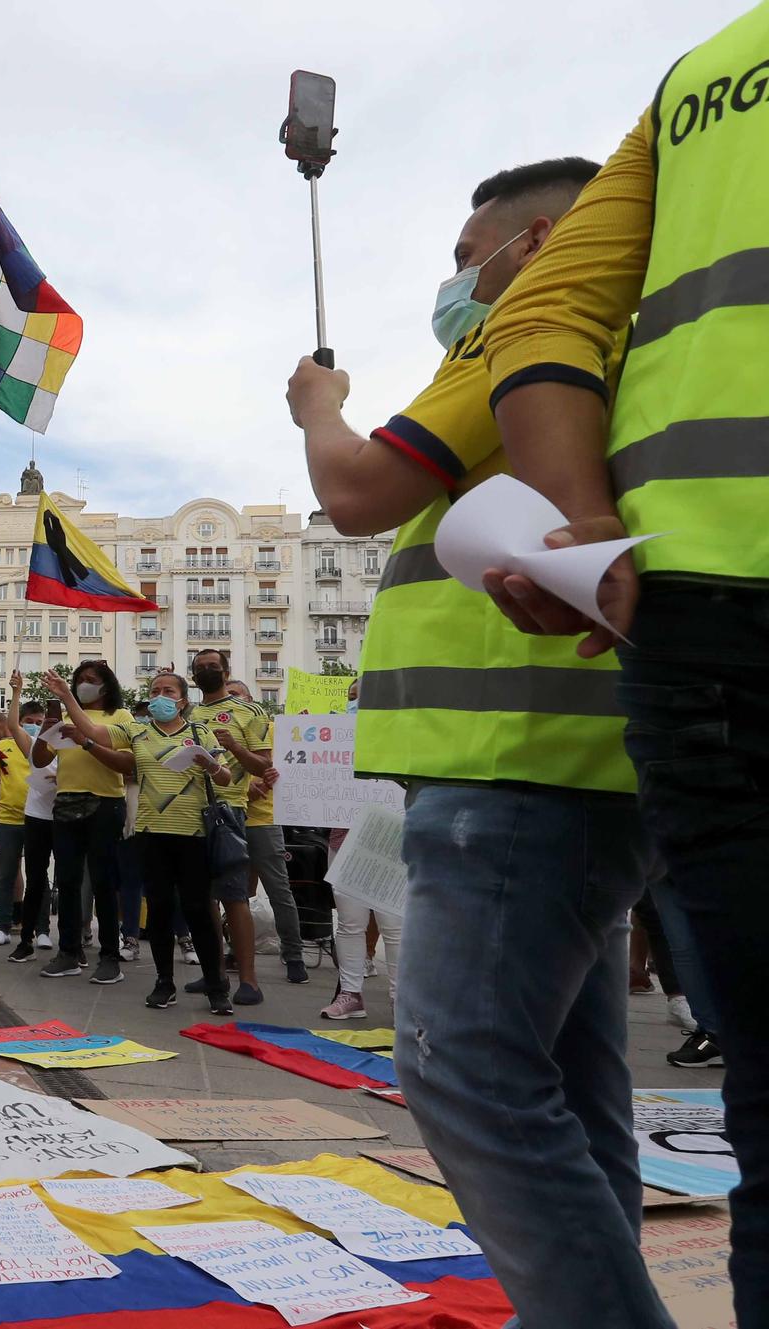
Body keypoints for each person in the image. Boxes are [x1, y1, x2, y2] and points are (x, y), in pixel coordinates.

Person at [287, 153, 671, 1324]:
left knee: (463, 1072)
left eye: (468, 260)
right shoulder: (630, 344)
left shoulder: (518, 334)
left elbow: (357, 490)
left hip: (509, 762)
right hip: (570, 760)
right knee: (564, 1083)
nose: (456, 286)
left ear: (538, 240)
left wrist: (318, 409)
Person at [477, 18, 769, 1315]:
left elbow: (546, 317)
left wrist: (578, 515)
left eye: (467, 258)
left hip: (698, 615)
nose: (463, 281)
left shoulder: (710, 69)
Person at [60, 671, 234, 1015]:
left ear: (183, 700)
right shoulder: (136, 731)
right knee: (159, 910)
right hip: (151, 834)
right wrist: (67, 696)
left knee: (198, 911)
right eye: (155, 691)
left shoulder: (200, 732)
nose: (160, 696)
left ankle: (216, 986)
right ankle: (164, 982)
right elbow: (94, 733)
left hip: (194, 835)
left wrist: (210, 764)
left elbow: (226, 778)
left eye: (168, 691)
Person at [34, 660, 134, 982]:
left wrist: (85, 740)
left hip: (105, 804)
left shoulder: (120, 717)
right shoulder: (63, 716)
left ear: (106, 687)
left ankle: (109, 956)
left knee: (104, 882)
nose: (83, 684)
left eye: (90, 680)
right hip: (66, 802)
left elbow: (126, 765)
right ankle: (68, 952)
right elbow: (39, 759)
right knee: (67, 881)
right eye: (79, 680)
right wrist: (45, 729)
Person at [185, 650, 269, 1005]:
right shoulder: (188, 714)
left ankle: (248, 979)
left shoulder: (251, 712)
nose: (206, 671)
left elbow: (264, 765)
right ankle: (213, 972)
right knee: (202, 898)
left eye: (212, 667)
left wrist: (233, 745)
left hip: (229, 811)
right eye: (200, 668)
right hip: (191, 812)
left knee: (234, 896)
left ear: (226, 671)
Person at [225, 680, 308, 985]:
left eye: (236, 696)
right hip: (230, 820)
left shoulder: (273, 730)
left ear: (250, 701)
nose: (231, 702)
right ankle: (235, 951)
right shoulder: (215, 733)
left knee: (279, 890)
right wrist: (246, 789)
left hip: (264, 821)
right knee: (235, 893)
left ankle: (294, 954)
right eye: (227, 696)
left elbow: (293, 767)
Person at [4, 686, 58, 962]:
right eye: (35, 722)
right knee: (36, 877)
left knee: (66, 880)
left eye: (44, 722)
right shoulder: (32, 746)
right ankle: (26, 939)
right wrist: (16, 692)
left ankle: (50, 933)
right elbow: (12, 724)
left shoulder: (69, 743)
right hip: (37, 816)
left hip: (65, 817)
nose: (39, 727)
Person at [0, 701, 30, 948]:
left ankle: (33, 926)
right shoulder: (0, 748)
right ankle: (5, 924)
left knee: (34, 873)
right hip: (8, 819)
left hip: (36, 818)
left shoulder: (36, 744)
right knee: (7, 871)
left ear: (0, 726)